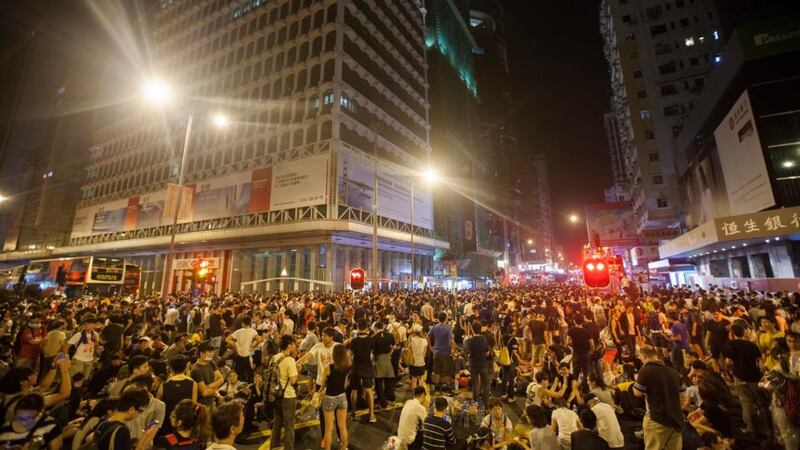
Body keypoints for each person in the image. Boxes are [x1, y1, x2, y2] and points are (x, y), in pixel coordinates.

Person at [722, 323, 770, 437]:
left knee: (746, 402)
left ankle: (750, 428)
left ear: (732, 333)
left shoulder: (729, 345)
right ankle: (768, 429)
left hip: (739, 376)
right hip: (754, 376)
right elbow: (760, 360)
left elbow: (728, 362)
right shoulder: (751, 344)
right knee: (761, 403)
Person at [633, 346, 684, 450]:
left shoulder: (645, 371)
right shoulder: (673, 372)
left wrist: (636, 380)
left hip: (656, 419)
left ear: (643, 356)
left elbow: (637, 393)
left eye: (640, 357)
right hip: (676, 420)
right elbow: (681, 398)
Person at [0, 393, 80, 450]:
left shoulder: (51, 426)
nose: (23, 423)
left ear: (39, 415)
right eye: (19, 418)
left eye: (29, 418)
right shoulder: (5, 429)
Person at [93, 388, 158, 450]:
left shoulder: (103, 422)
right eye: (140, 411)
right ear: (131, 409)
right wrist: (142, 442)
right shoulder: (122, 431)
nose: (138, 415)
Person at [270, 334, 298, 450]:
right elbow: (293, 380)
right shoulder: (290, 360)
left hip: (276, 395)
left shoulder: (275, 357)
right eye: (294, 345)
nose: (295, 347)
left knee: (277, 424)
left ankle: (274, 447)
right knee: (289, 426)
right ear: (289, 345)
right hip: (288, 396)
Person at [346, 318, 377, 423]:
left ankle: (353, 413)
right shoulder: (371, 340)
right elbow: (373, 354)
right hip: (367, 366)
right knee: (369, 390)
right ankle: (372, 414)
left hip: (356, 366)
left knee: (354, 390)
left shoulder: (354, 341)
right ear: (367, 328)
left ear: (358, 327)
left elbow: (350, 354)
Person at [320, 344, 350, 450]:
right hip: (342, 397)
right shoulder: (347, 366)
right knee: (342, 427)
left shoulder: (329, 368)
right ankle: (344, 447)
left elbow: (322, 385)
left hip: (329, 398)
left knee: (328, 430)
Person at [464, 322, 492, 403]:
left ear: (472, 330)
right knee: (486, 384)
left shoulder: (469, 341)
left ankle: (475, 402)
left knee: (475, 384)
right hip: (483, 364)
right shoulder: (484, 339)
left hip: (473, 365)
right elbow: (487, 353)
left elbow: (466, 351)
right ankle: (486, 402)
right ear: (480, 329)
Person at [191, 342, 225, 406]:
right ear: (201, 354)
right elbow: (204, 393)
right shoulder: (196, 370)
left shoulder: (211, 362)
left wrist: (208, 386)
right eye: (210, 352)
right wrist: (216, 386)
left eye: (212, 351)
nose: (212, 354)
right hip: (202, 404)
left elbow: (221, 379)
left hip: (212, 401)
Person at [372, 319, 396, 408]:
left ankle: (382, 403)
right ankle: (391, 399)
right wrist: (390, 354)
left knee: (379, 383)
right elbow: (394, 346)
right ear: (383, 327)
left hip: (377, 360)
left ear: (375, 328)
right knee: (389, 380)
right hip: (387, 359)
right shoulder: (390, 335)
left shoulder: (373, 337)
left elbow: (372, 351)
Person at [428, 313, 455, 390]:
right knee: (447, 371)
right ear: (446, 318)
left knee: (437, 371)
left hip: (436, 352)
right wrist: (454, 350)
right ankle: (446, 389)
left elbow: (428, 336)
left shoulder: (435, 327)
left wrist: (430, 346)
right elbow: (451, 341)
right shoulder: (448, 328)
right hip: (445, 353)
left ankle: (437, 389)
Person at [67, 314, 99, 379]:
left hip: (89, 361)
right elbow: (65, 347)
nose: (85, 326)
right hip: (78, 360)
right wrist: (66, 360)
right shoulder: (79, 334)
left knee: (84, 380)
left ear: (94, 325)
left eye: (87, 324)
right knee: (73, 380)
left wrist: (96, 340)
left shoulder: (95, 334)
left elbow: (96, 348)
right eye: (84, 324)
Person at [407, 324, 428, 390]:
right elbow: (424, 354)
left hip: (413, 362)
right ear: (421, 331)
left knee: (414, 380)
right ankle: (422, 395)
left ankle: (415, 396)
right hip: (421, 362)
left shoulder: (411, 339)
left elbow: (408, 349)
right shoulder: (425, 341)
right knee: (421, 379)